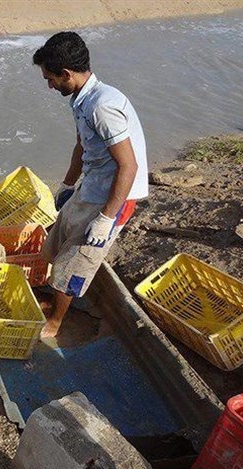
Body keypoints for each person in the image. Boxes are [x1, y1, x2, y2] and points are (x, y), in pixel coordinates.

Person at [33, 31, 148, 338]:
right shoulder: (82, 100)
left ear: (66, 73)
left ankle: (56, 323)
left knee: (77, 259)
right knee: (59, 241)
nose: (49, 85)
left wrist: (107, 218)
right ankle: (56, 300)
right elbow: (81, 145)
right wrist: (68, 185)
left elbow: (129, 165)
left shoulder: (102, 106)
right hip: (93, 184)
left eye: (51, 79)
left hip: (114, 196)